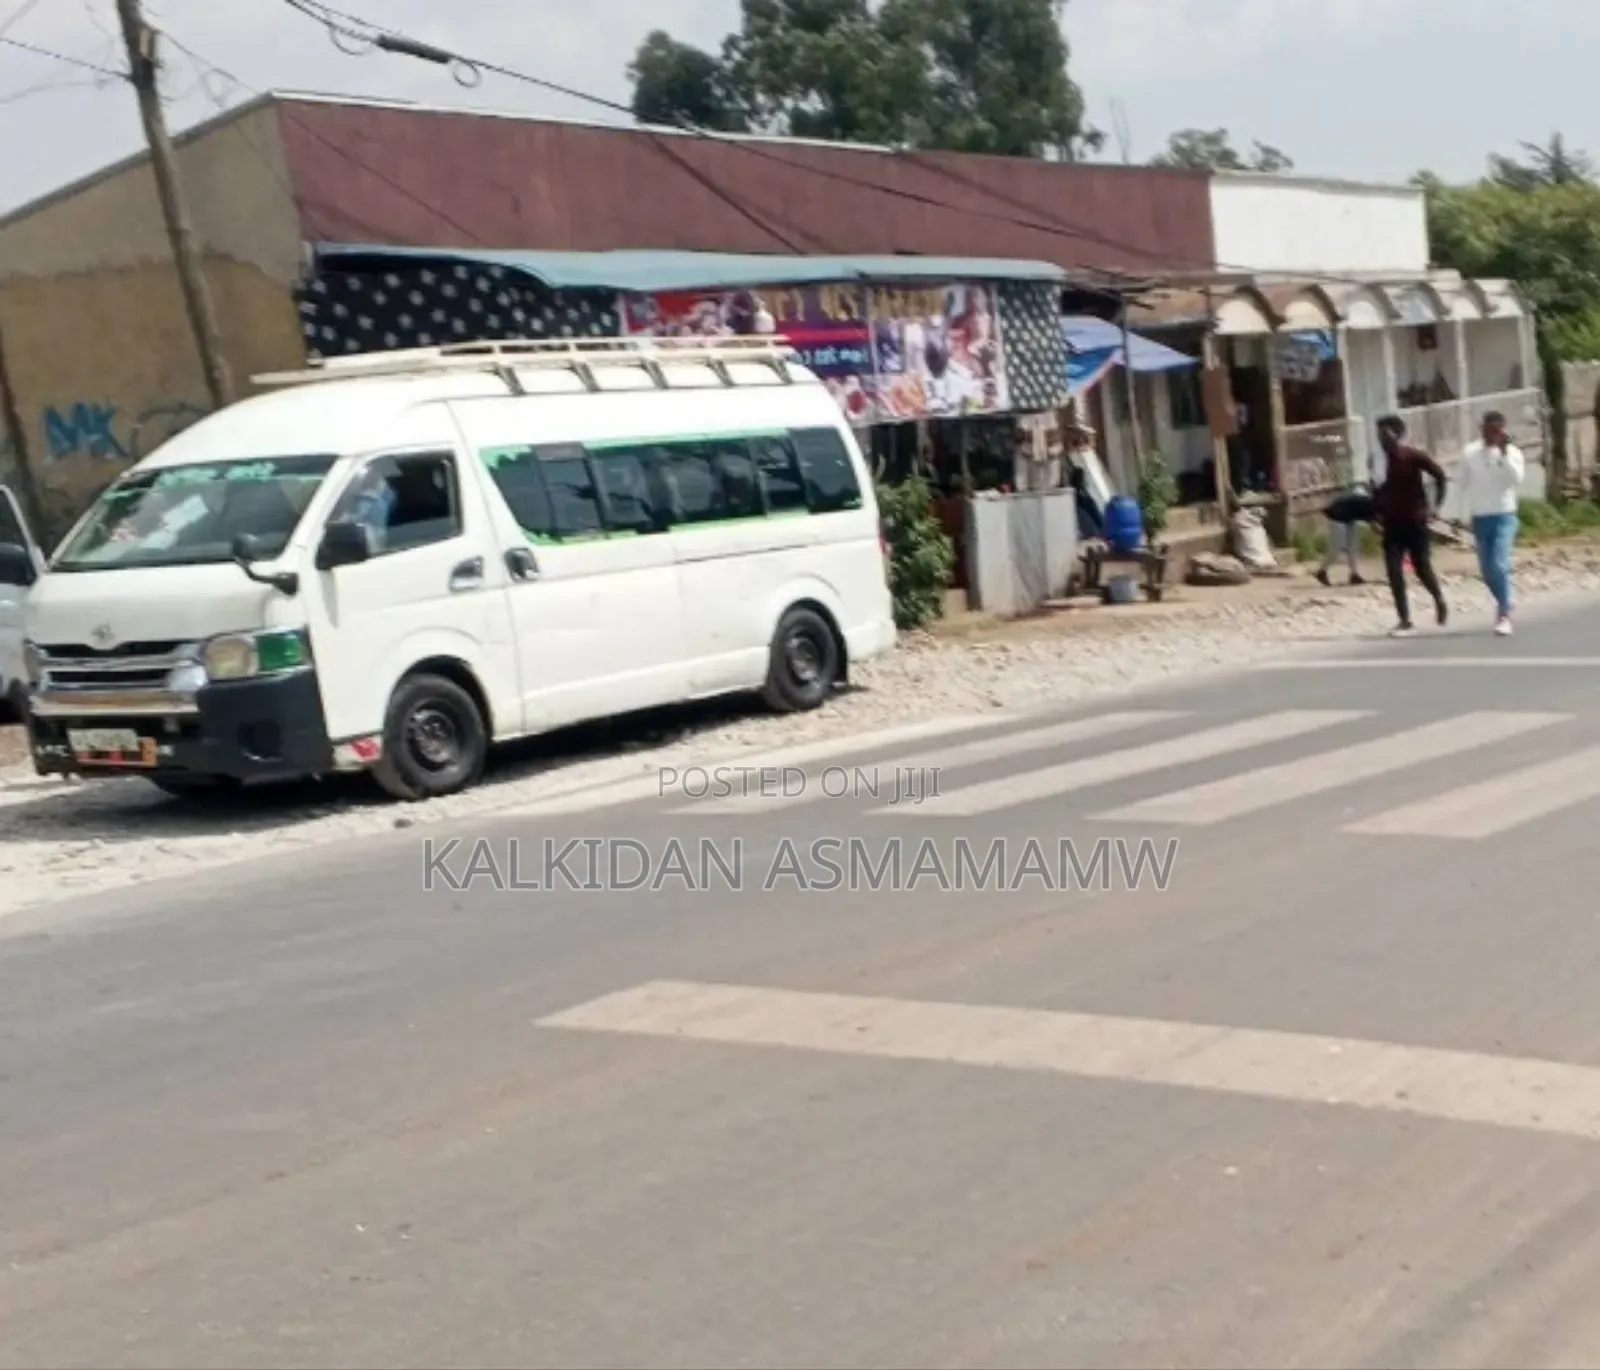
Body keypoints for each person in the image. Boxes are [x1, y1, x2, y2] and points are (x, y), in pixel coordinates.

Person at [1372, 414, 1449, 636]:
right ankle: (1405, 620)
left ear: (1397, 434)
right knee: (1394, 571)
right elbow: (1378, 493)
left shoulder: (1412, 456)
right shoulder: (1378, 462)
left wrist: (1435, 507)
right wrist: (1375, 516)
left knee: (1421, 567)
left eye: (1385, 434)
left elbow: (1440, 476)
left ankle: (1438, 598)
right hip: (1391, 525)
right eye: (1378, 435)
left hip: (1415, 521)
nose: (1381, 440)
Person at [1455, 410, 1525, 636]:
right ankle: (1505, 599)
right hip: (1480, 516)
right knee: (1486, 571)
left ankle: (1504, 614)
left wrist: (1503, 454)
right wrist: (1462, 515)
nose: (1493, 434)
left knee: (1498, 563)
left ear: (1503, 431)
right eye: (1489, 429)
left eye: (1498, 430)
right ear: (1482, 428)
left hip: (1504, 515)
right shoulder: (1470, 452)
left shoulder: (1512, 453)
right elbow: (1462, 484)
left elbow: (1516, 479)